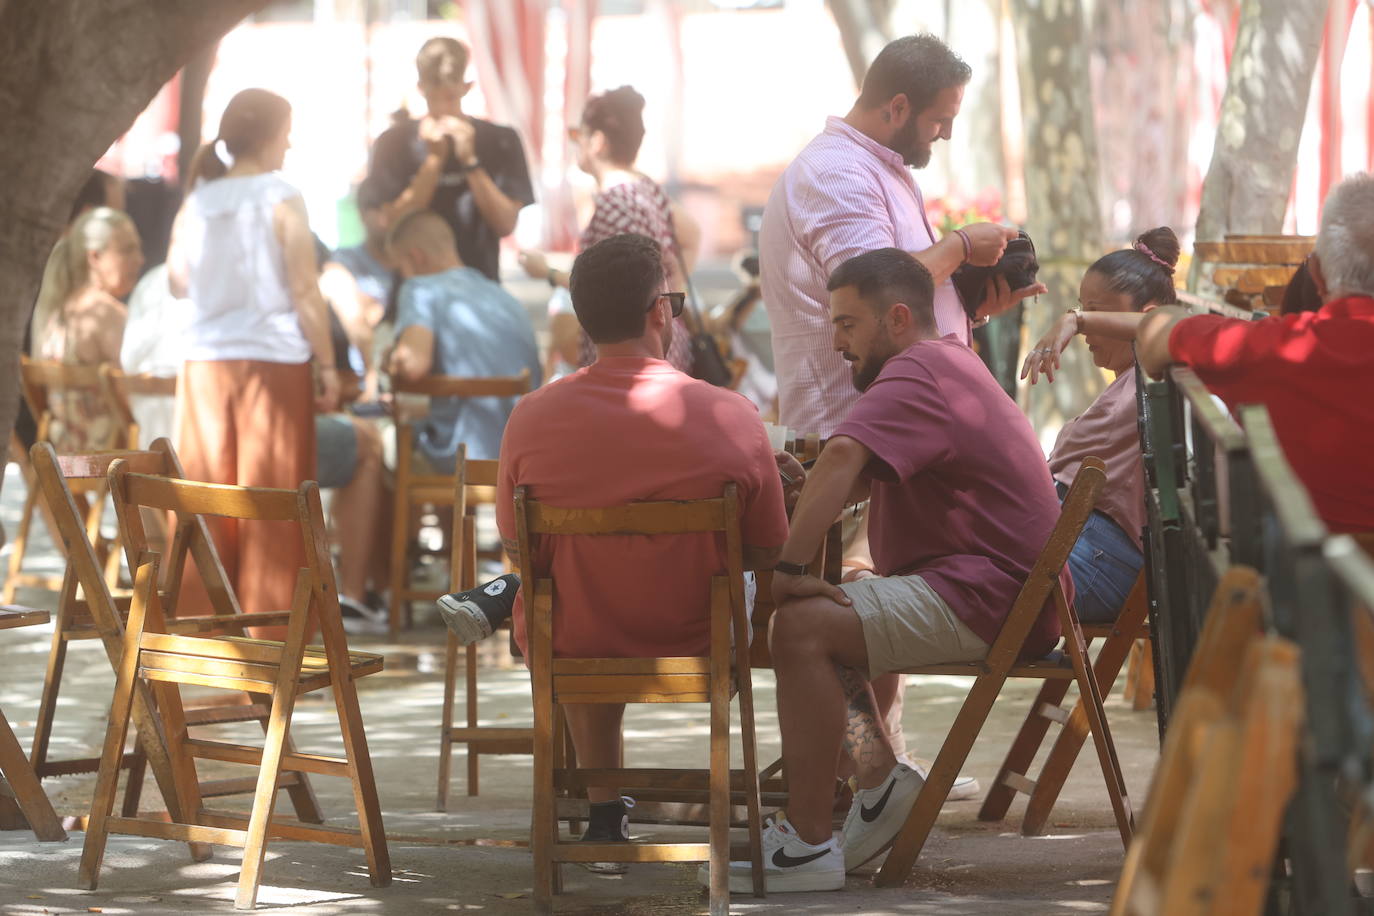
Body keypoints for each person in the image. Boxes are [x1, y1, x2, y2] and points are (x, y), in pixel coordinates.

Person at [709, 249, 1071, 893]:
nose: (837, 341)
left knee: (798, 626)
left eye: (848, 325)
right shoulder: (945, 365)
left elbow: (845, 453)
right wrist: (810, 485)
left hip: (993, 596)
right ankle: (877, 782)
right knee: (840, 595)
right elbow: (860, 471)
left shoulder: (918, 369)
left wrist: (791, 565)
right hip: (999, 591)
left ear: (897, 318)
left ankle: (808, 842)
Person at [761, 34, 1040, 795]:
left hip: (918, 471)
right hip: (854, 426)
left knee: (829, 612)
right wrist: (957, 247)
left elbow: (902, 307)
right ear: (896, 107)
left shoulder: (872, 170)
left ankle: (871, 779)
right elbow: (877, 294)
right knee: (830, 611)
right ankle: (870, 779)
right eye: (940, 118)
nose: (945, 132)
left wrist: (967, 302)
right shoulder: (836, 174)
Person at [496, 232, 791, 860]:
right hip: (699, 636)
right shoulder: (729, 414)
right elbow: (769, 548)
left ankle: (604, 808)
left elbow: (517, 548)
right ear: (660, 311)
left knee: (569, 591)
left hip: (574, 641)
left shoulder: (531, 417)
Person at [1025, 172, 1374, 534]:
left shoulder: (1273, 345)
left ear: (1316, 273)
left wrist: (1078, 320)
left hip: (1309, 583)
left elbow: (1160, 328)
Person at [166, 88, 338, 631]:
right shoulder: (281, 195)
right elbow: (305, 290)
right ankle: (274, 639)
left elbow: (176, 281)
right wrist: (329, 365)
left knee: (207, 500)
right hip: (273, 362)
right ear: (268, 133)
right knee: (274, 506)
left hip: (205, 365)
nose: (290, 141)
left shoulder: (199, 200)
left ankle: (201, 636)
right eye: (286, 129)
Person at [1020, 228, 1181, 622]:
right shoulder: (1130, 382)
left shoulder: (1156, 376)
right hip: (1076, 545)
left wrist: (1074, 319)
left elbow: (1177, 323)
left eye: (1099, 313)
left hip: (1099, 564)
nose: (1088, 329)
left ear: (1146, 318)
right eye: (1084, 309)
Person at [518, 85, 699, 375]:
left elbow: (617, 287)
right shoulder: (645, 189)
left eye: (578, 135)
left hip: (633, 360)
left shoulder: (618, 203)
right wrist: (671, 291)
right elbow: (692, 235)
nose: (574, 144)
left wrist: (548, 273)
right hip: (660, 344)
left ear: (597, 142)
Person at [366, 37, 533, 282]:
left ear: (467, 88)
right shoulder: (394, 143)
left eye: (451, 98)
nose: (444, 109)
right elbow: (391, 225)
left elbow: (505, 224)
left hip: (479, 283)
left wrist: (470, 162)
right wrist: (433, 163)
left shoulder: (500, 139)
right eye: (435, 98)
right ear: (421, 88)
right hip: (415, 286)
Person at [385, 209, 541, 467]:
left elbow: (413, 366)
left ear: (416, 257)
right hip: (520, 456)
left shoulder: (419, 288)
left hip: (461, 457)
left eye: (400, 267)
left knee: (380, 446)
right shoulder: (501, 295)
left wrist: (392, 358)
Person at [31, 206, 143, 451]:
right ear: (94, 257)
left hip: (62, 453)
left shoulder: (52, 311)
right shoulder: (107, 314)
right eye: (127, 250)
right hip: (109, 455)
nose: (139, 259)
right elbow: (133, 396)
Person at [321, 177, 396, 400]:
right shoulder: (344, 261)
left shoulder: (412, 265)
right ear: (363, 213)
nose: (387, 218)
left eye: (393, 208)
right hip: (356, 380)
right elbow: (358, 320)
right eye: (379, 209)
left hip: (400, 380)